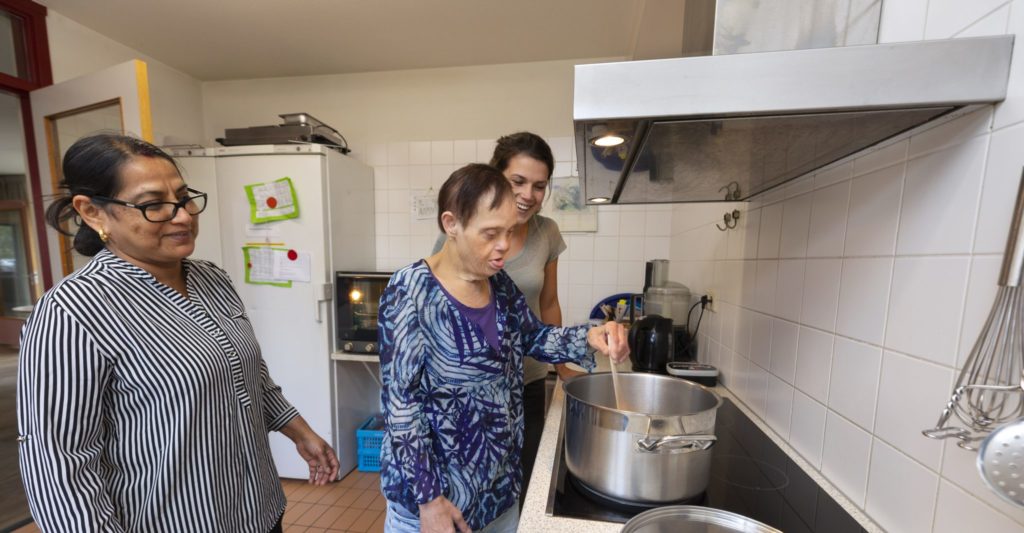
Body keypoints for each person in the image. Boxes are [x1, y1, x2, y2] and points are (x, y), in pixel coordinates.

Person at [16, 134, 339, 533]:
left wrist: (298, 429)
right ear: (93, 212)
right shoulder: (72, 311)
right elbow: (58, 463)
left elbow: (247, 373)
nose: (183, 216)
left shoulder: (211, 279)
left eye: (184, 198)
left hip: (257, 509)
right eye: (154, 205)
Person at [382, 163, 629, 533]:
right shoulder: (410, 291)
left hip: (498, 494)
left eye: (510, 232)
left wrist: (588, 337)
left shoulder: (498, 283)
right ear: (451, 224)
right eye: (491, 233)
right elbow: (402, 409)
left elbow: (533, 337)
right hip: (439, 506)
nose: (504, 246)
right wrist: (429, 502)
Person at [431, 132, 575, 500]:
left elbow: (547, 304)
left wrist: (565, 363)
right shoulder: (448, 251)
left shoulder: (544, 237)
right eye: (519, 182)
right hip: (468, 388)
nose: (529, 194)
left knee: (521, 478)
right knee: (469, 486)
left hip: (524, 378)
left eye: (539, 186)